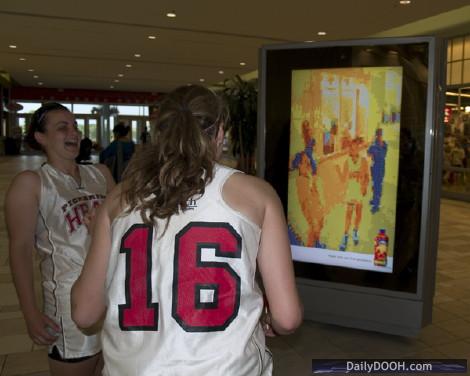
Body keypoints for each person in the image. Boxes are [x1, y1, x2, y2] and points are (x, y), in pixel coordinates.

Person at [72, 85, 303, 376]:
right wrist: (266, 319)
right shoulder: (257, 195)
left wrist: (96, 238)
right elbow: (288, 318)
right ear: (220, 133)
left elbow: (84, 312)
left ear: (159, 134)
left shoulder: (119, 198)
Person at [5, 102, 115, 376]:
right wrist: (30, 314)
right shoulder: (31, 183)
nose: (74, 133)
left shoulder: (100, 174)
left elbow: (125, 228)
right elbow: (19, 252)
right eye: (62, 127)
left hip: (112, 295)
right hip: (69, 306)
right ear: (40, 137)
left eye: (75, 126)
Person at [336, 137, 369, 251]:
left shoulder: (363, 161)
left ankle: (355, 231)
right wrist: (338, 171)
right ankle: (345, 236)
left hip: (359, 191)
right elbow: (343, 179)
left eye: (354, 147)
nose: (352, 149)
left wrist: (365, 186)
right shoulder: (347, 162)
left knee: (358, 214)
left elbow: (367, 177)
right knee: (348, 215)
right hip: (351, 191)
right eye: (351, 147)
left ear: (358, 148)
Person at [367, 128, 388, 213]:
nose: (379, 135)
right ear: (376, 134)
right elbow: (368, 153)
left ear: (382, 134)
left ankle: (376, 205)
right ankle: (374, 200)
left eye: (380, 134)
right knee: (374, 184)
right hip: (374, 166)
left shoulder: (384, 144)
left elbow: (384, 154)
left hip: (381, 166)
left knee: (378, 185)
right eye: (378, 134)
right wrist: (371, 154)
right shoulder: (374, 144)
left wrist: (374, 151)